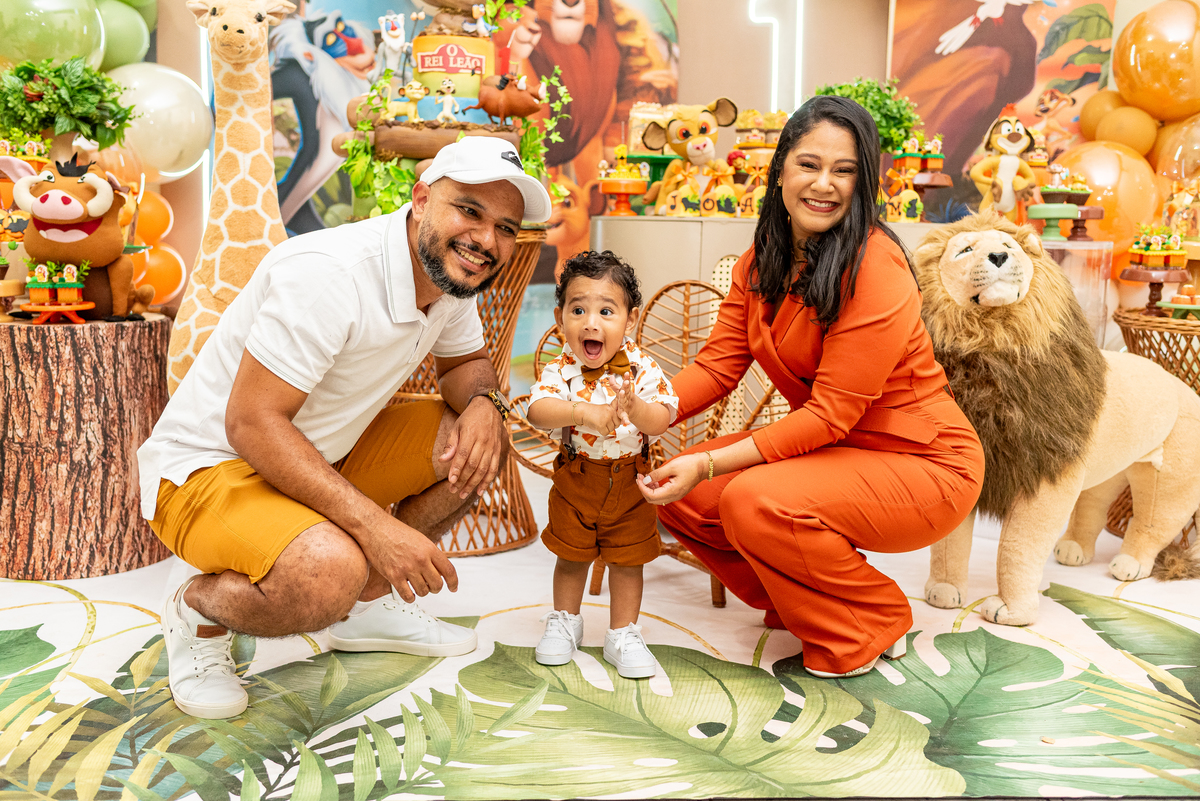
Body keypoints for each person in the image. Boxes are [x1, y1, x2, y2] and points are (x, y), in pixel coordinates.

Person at [137, 137, 551, 719]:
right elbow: (250, 424)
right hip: (207, 469)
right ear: (422, 198)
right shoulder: (330, 274)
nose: (486, 240)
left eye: (505, 227)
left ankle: (368, 604)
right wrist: (378, 534)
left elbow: (464, 367)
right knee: (329, 572)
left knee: (475, 443)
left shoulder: (452, 275)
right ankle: (198, 611)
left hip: (320, 453)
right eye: (470, 211)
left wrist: (486, 403)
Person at [638, 96, 985, 679]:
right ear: (779, 172)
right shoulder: (761, 260)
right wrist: (644, 409)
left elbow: (827, 416)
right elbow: (719, 367)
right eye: (808, 164)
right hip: (840, 451)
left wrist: (712, 465)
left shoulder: (876, 267)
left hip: (925, 462)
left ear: (863, 182)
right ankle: (812, 606)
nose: (824, 184)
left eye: (844, 170)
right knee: (691, 494)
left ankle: (871, 618)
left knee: (745, 496)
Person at [525, 251, 678, 678]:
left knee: (629, 561)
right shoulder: (562, 368)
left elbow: (663, 419)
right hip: (577, 479)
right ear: (560, 319)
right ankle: (565, 622)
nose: (591, 322)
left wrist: (636, 407)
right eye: (579, 310)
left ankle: (623, 633)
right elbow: (537, 410)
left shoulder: (643, 369)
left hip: (631, 481)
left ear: (630, 321)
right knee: (571, 556)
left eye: (606, 311)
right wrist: (584, 414)